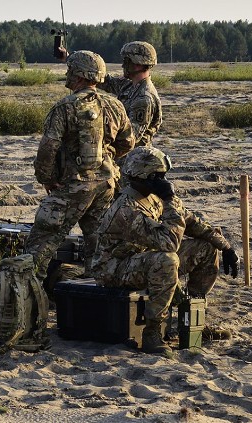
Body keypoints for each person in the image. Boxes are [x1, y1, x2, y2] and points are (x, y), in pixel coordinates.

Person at [87, 146, 240, 354]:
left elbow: (191, 222)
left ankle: (194, 323)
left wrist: (225, 246)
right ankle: (153, 332)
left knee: (205, 248)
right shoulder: (126, 210)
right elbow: (170, 243)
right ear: (145, 176)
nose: (164, 180)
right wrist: (169, 199)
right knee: (167, 260)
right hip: (113, 268)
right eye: (158, 176)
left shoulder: (152, 197)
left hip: (141, 256)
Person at [24, 50, 135, 297]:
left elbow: (48, 148)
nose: (67, 75)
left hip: (72, 186)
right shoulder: (115, 105)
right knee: (97, 244)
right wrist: (107, 159)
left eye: (70, 70)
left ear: (79, 75)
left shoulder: (65, 107)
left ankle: (24, 298)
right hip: (106, 185)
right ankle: (95, 296)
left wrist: (46, 178)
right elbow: (128, 142)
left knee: (42, 242)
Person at [57, 40, 162, 147]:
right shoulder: (130, 86)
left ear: (138, 64)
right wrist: (71, 59)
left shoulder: (144, 98)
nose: (123, 65)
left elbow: (131, 137)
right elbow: (104, 80)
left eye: (126, 60)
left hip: (131, 159)